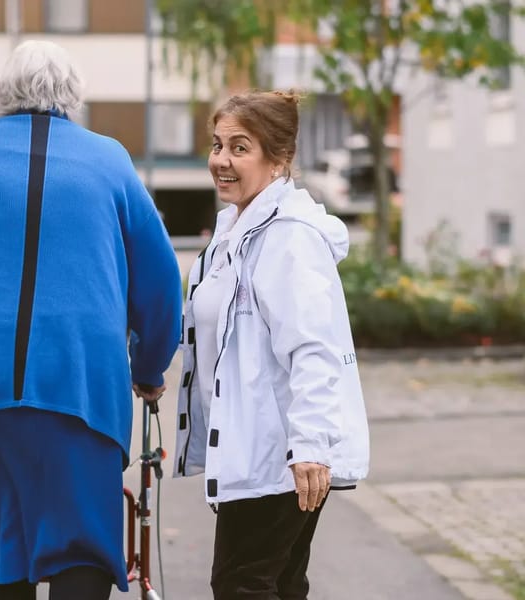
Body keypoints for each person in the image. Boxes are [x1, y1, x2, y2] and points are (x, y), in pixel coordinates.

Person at [0, 40, 182, 600]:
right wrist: (148, 369)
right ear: (73, 95)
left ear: (0, 91)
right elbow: (159, 285)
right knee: (83, 548)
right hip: (81, 387)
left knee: (2, 552)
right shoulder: (110, 160)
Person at [172, 90, 370, 599]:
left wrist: (308, 447)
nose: (221, 160)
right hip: (256, 446)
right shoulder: (237, 228)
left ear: (279, 158)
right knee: (278, 584)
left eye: (240, 147)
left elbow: (313, 348)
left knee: (242, 584)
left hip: (278, 452)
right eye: (218, 145)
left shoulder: (288, 238)